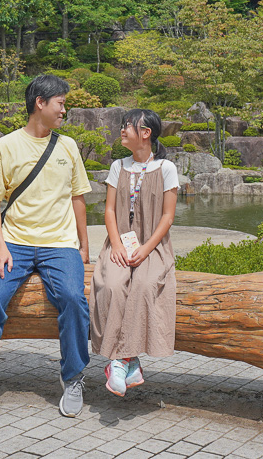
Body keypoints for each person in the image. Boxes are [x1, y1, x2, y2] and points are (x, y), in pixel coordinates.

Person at [0, 74, 92, 423]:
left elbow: (78, 199)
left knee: (74, 300)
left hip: (59, 244)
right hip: (14, 243)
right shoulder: (6, 146)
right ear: (41, 103)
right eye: (61, 103)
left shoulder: (68, 147)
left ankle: (74, 377)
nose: (65, 109)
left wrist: (83, 248)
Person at [90, 108, 179, 397]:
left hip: (153, 245)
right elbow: (108, 211)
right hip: (119, 243)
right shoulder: (119, 166)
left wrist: (146, 249)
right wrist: (115, 245)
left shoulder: (166, 169)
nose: (123, 130)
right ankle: (129, 361)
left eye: (128, 125)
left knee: (144, 284)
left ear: (146, 133)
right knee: (111, 285)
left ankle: (118, 361)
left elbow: (167, 217)